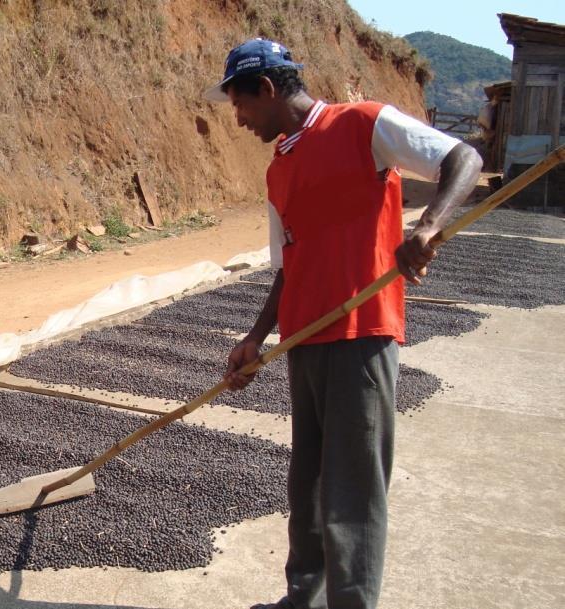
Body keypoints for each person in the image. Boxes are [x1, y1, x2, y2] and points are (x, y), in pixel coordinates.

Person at [204, 38, 482, 609]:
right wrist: (256, 338)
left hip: (362, 337)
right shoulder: (279, 169)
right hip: (303, 343)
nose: (239, 119)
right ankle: (303, 598)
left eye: (241, 105)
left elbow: (464, 160)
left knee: (352, 492)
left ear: (267, 88)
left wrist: (427, 227)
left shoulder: (365, 124)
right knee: (306, 487)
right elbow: (287, 266)